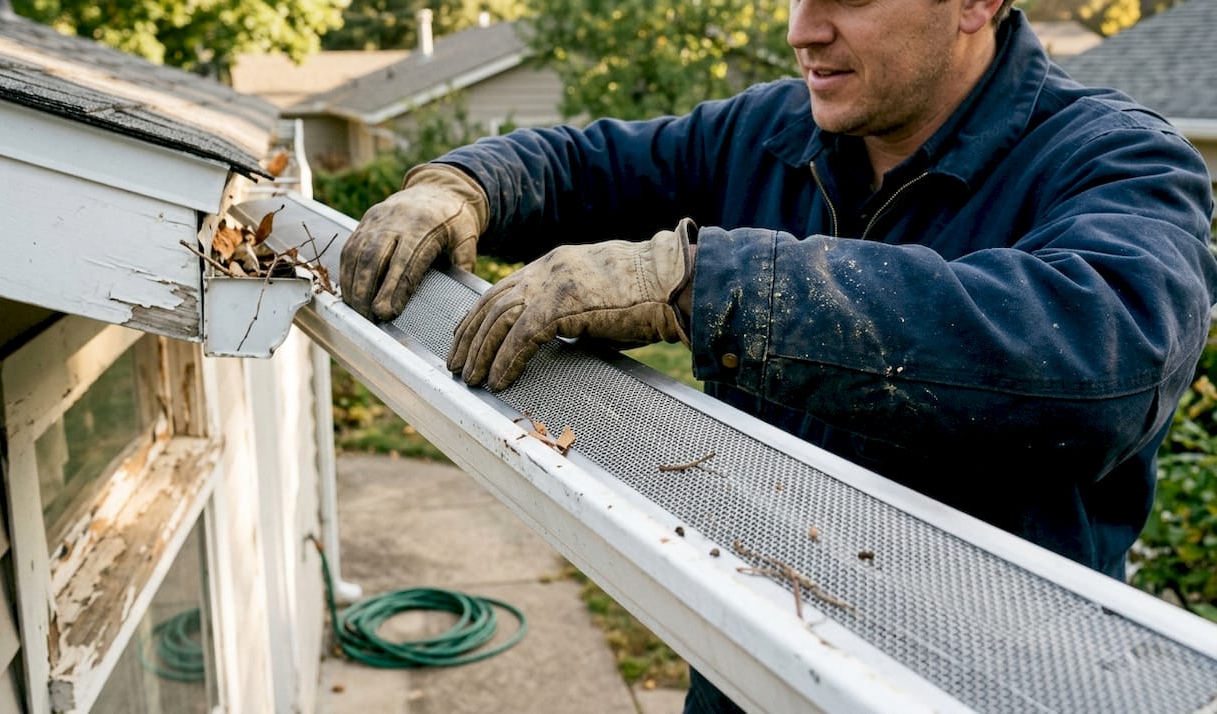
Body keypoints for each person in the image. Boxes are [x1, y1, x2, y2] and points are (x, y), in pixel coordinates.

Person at [341, 0, 1217, 710]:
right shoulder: (773, 130)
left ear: (977, 3)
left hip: (976, 682)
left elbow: (1107, 350)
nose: (801, 28)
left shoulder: (1115, 158)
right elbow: (586, 163)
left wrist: (703, 286)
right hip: (750, 655)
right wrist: (463, 187)